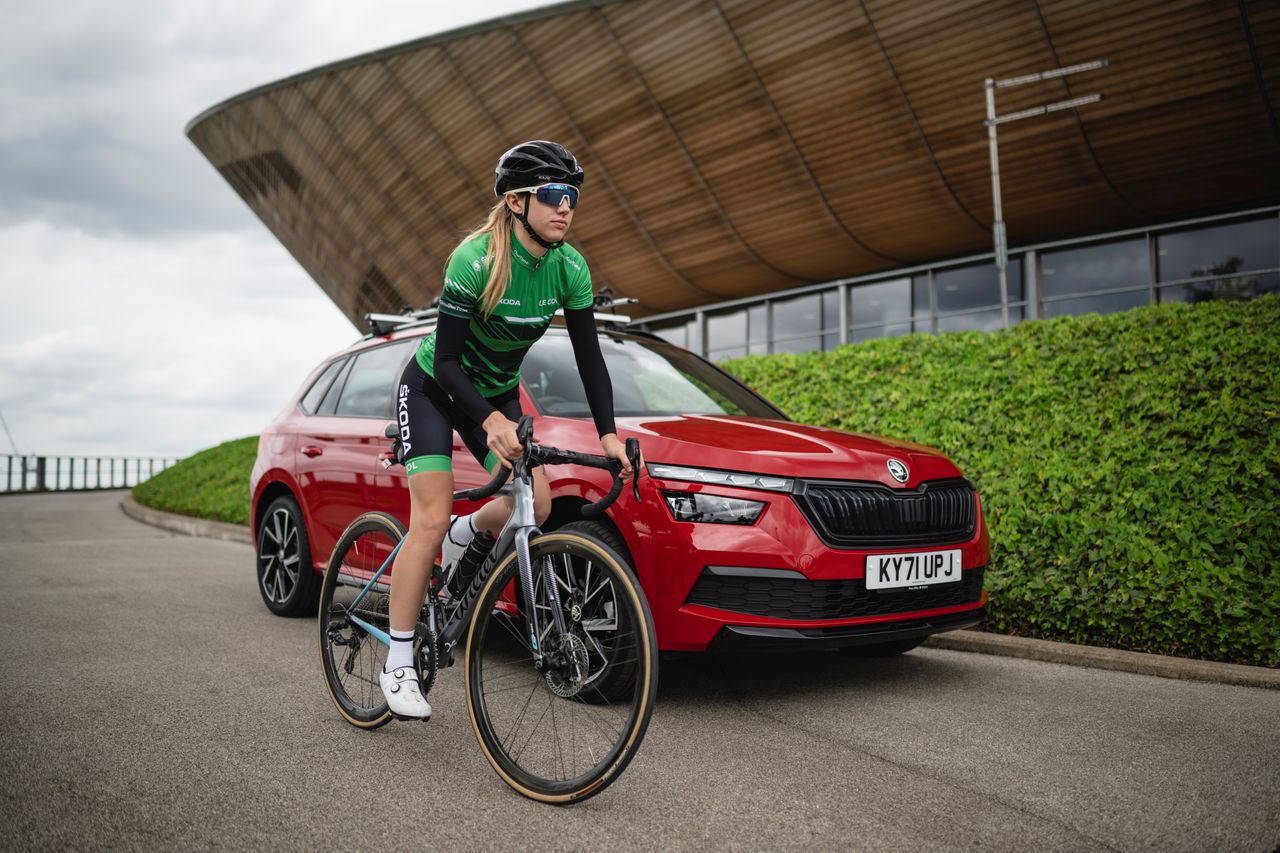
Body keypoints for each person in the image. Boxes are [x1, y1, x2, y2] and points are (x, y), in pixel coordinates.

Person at [381, 140, 632, 719]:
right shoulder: (475, 259)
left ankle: (468, 534)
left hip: (494, 390)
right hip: (434, 388)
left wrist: (610, 437)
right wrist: (490, 420)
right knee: (429, 514)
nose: (565, 207)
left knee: (538, 503)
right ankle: (396, 660)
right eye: (552, 195)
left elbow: (592, 361)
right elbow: (445, 364)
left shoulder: (569, 267)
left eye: (572, 196)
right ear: (517, 203)